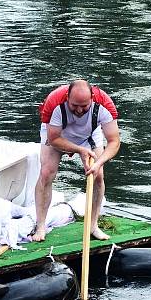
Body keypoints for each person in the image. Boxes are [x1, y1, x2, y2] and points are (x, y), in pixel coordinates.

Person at [31, 80, 120, 242]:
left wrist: (99, 163)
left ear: (92, 98)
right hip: (58, 134)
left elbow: (114, 141)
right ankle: (41, 225)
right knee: (46, 173)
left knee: (98, 176)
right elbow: (54, 139)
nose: (79, 110)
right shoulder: (54, 102)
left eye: (84, 106)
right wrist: (80, 150)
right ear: (67, 97)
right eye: (74, 106)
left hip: (89, 134)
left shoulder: (104, 105)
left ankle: (92, 225)